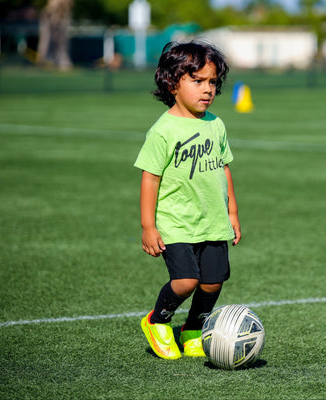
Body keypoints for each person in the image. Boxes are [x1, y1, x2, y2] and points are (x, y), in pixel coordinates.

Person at [134, 40, 241, 360]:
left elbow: (224, 168)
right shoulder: (163, 131)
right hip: (176, 221)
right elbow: (150, 178)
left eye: (212, 82)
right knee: (185, 281)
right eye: (197, 81)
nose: (207, 89)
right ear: (171, 82)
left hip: (213, 219)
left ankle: (194, 329)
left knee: (212, 282)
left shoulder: (216, 124)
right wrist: (148, 226)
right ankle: (158, 321)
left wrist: (232, 212)